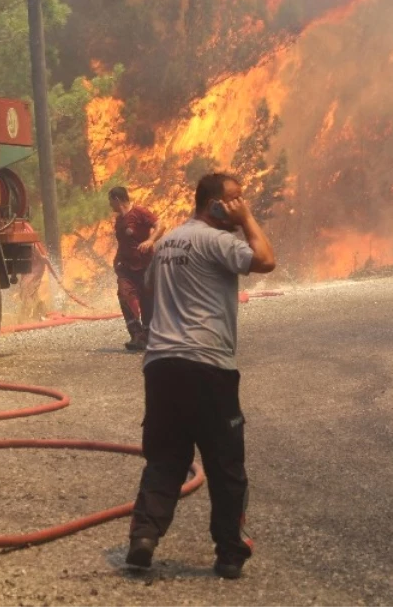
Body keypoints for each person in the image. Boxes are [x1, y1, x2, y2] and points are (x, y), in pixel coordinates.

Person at [126, 172, 276, 580]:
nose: (239, 204)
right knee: (226, 464)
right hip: (208, 366)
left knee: (165, 459)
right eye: (233, 200)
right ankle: (230, 553)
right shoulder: (220, 240)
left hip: (160, 366)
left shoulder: (167, 241)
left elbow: (155, 295)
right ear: (212, 205)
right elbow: (265, 260)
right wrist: (246, 220)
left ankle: (143, 537)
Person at [109, 186, 165, 351]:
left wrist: (150, 241)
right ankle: (136, 334)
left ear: (117, 200)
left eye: (110, 201)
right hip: (125, 267)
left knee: (148, 300)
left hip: (145, 265)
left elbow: (160, 225)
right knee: (124, 295)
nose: (110, 205)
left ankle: (148, 336)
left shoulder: (139, 212)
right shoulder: (119, 220)